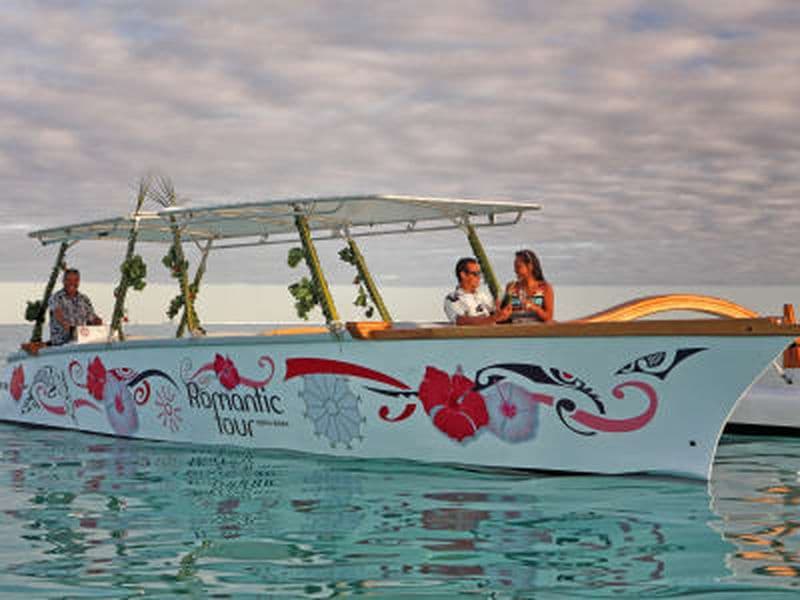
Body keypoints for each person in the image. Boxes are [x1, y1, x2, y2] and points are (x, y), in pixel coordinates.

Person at [444, 257, 512, 325]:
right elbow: (461, 321)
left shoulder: (482, 295)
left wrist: (507, 298)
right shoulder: (451, 299)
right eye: (475, 274)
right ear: (463, 275)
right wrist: (494, 318)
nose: (479, 277)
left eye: (480, 274)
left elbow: (498, 313)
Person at [48, 268, 102, 345]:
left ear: (79, 281)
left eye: (75, 280)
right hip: (61, 343)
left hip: (81, 341)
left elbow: (92, 318)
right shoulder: (56, 297)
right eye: (69, 280)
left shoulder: (84, 299)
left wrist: (99, 323)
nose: (72, 283)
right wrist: (71, 329)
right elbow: (58, 315)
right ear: (63, 281)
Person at [503, 249, 554, 323]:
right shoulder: (511, 287)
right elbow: (504, 317)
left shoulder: (545, 287)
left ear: (530, 266)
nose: (515, 270)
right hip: (514, 331)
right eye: (514, 267)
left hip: (536, 332)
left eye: (518, 266)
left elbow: (549, 317)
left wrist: (535, 308)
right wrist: (504, 307)